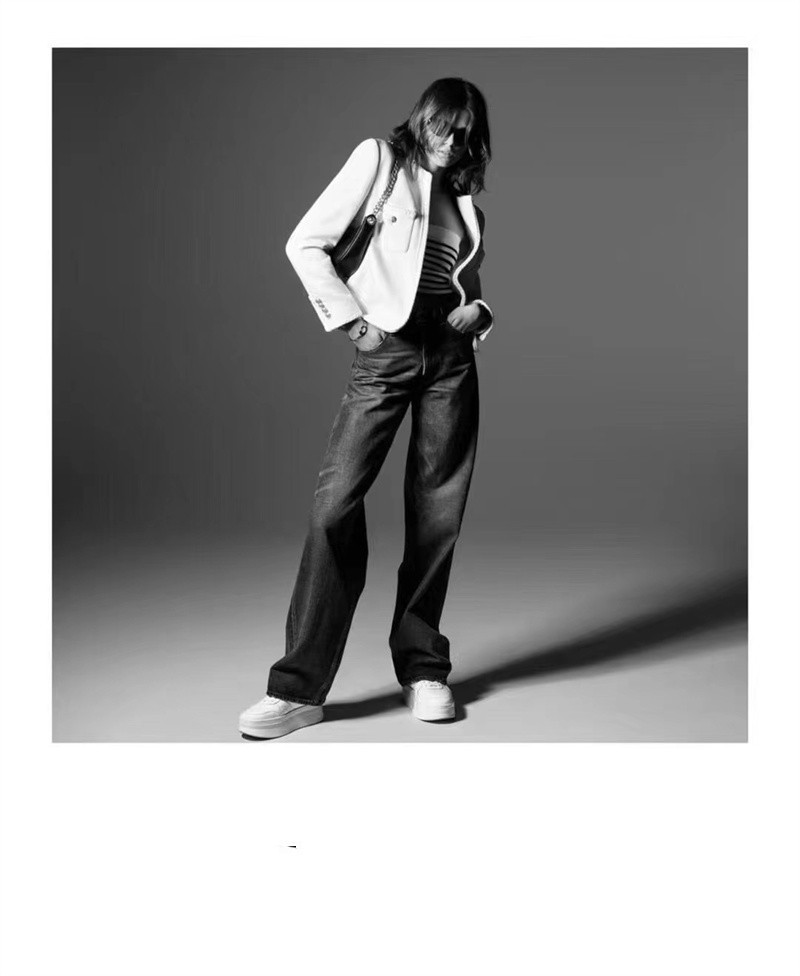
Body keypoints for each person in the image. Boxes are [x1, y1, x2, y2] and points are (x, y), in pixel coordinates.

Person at [238, 77, 494, 739]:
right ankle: (297, 689)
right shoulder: (379, 160)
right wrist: (352, 322)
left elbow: (463, 283)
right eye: (443, 126)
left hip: (450, 359)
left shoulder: (466, 201)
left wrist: (480, 311)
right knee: (335, 505)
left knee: (438, 514)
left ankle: (423, 670)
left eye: (465, 133)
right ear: (423, 119)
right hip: (386, 352)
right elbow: (305, 243)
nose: (452, 141)